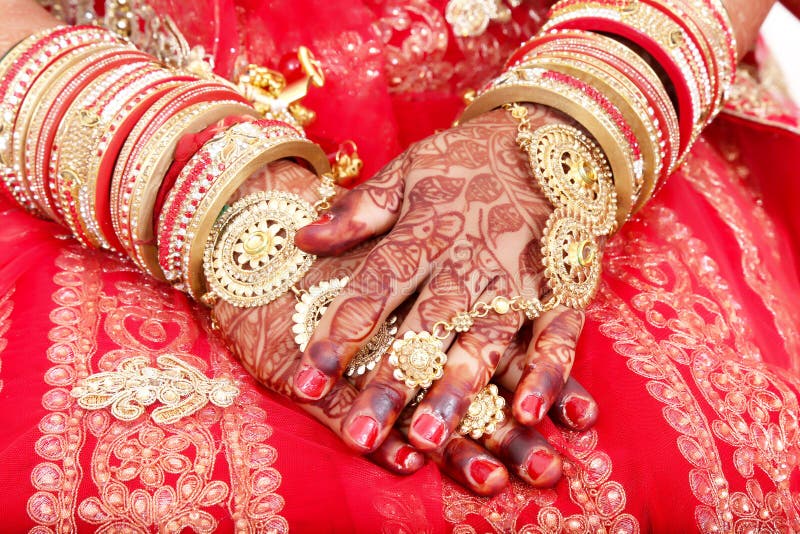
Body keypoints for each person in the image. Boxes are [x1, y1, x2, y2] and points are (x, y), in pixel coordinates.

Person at [0, 0, 798, 531]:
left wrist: (553, 143)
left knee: (724, 458)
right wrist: (207, 194)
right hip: (89, 88)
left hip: (575, 56)